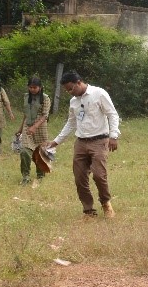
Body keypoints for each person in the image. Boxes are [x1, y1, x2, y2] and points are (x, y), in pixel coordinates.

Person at [46, 71, 120, 219]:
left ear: (79, 82)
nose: (69, 92)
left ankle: (106, 203)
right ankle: (88, 210)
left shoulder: (98, 93)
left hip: (99, 141)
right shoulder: (74, 101)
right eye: (67, 90)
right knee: (80, 178)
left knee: (99, 175)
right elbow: (71, 123)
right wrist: (56, 142)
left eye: (71, 88)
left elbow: (112, 114)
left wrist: (113, 136)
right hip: (81, 142)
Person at [16, 76, 52, 186]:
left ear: (40, 87)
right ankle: (25, 176)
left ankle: (40, 175)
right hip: (28, 128)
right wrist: (21, 128)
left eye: (35, 87)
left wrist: (35, 127)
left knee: (40, 153)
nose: (32, 89)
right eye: (30, 87)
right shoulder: (26, 97)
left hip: (40, 129)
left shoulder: (45, 98)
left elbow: (45, 115)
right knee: (24, 151)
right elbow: (25, 114)